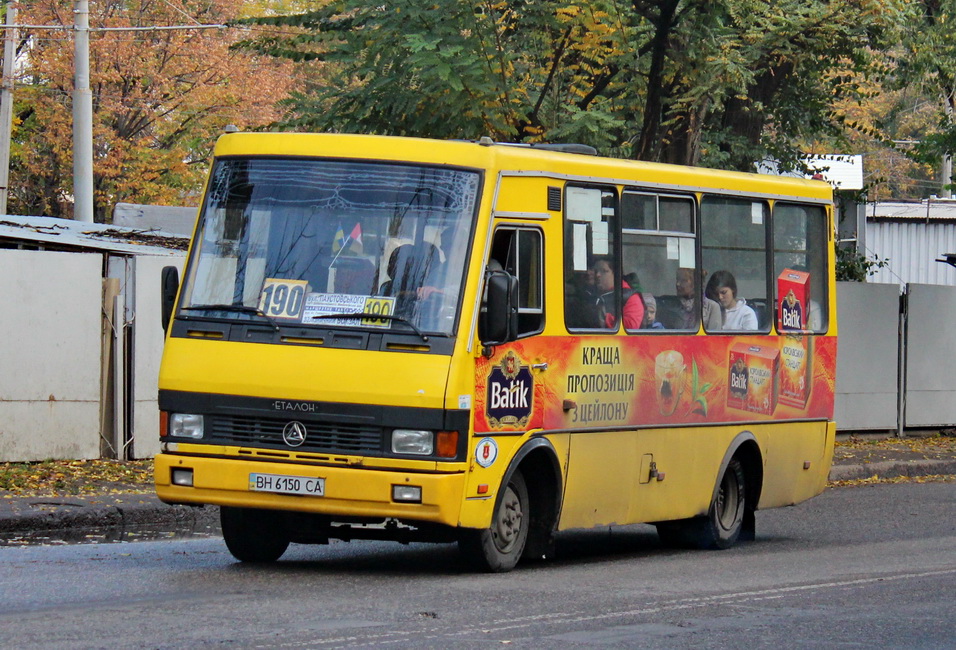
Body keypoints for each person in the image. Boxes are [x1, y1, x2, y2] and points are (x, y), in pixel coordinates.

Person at [592, 257, 644, 330]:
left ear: (616, 274)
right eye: (596, 271)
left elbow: (631, 325)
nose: (597, 275)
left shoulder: (630, 297)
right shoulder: (591, 293)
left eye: (604, 271)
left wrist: (604, 317)